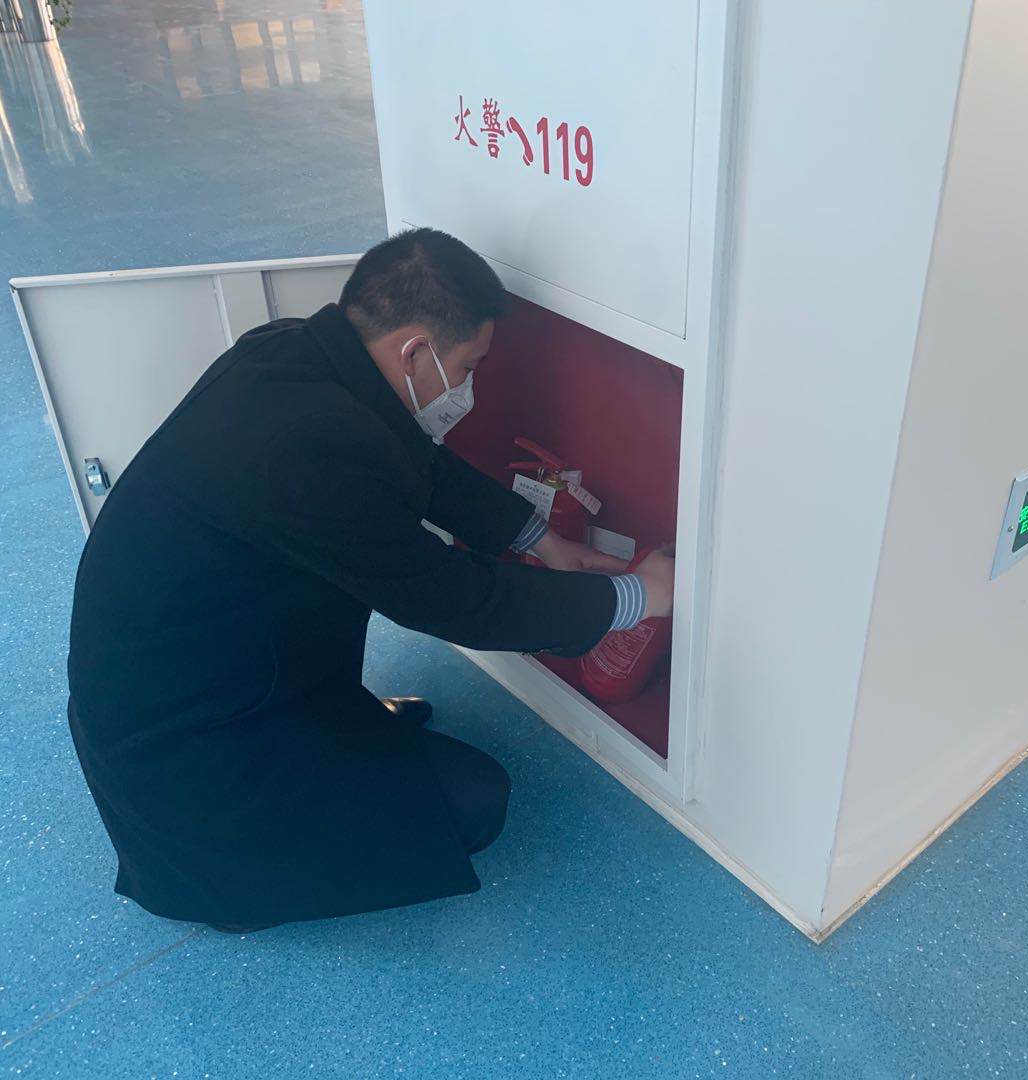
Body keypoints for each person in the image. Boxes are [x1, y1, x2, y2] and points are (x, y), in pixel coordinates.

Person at [65, 227, 676, 933]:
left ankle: (335, 734)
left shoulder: (291, 354)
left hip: (207, 678)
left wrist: (544, 541)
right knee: (475, 802)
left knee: (390, 753)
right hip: (189, 758)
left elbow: (418, 465)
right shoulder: (306, 448)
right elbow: (458, 601)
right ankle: (228, 878)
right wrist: (639, 597)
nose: (468, 388)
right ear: (415, 351)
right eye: (468, 366)